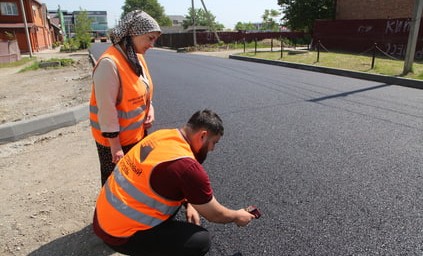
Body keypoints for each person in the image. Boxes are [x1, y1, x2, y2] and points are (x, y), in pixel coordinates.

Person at [93, 109, 257, 256]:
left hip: (102, 219)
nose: (213, 149)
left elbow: (168, 176)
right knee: (201, 241)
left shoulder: (162, 135)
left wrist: (190, 203)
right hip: (120, 236)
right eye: (214, 143)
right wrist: (237, 216)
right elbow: (215, 214)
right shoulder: (187, 168)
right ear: (203, 135)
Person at [89, 10, 161, 186]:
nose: (152, 44)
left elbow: (144, 88)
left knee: (133, 182)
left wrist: (149, 107)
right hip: (115, 143)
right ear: (133, 35)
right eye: (149, 38)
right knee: (114, 185)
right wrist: (115, 147)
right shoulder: (109, 64)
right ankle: (108, 214)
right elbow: (106, 109)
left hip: (136, 136)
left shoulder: (137, 57)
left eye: (155, 39)